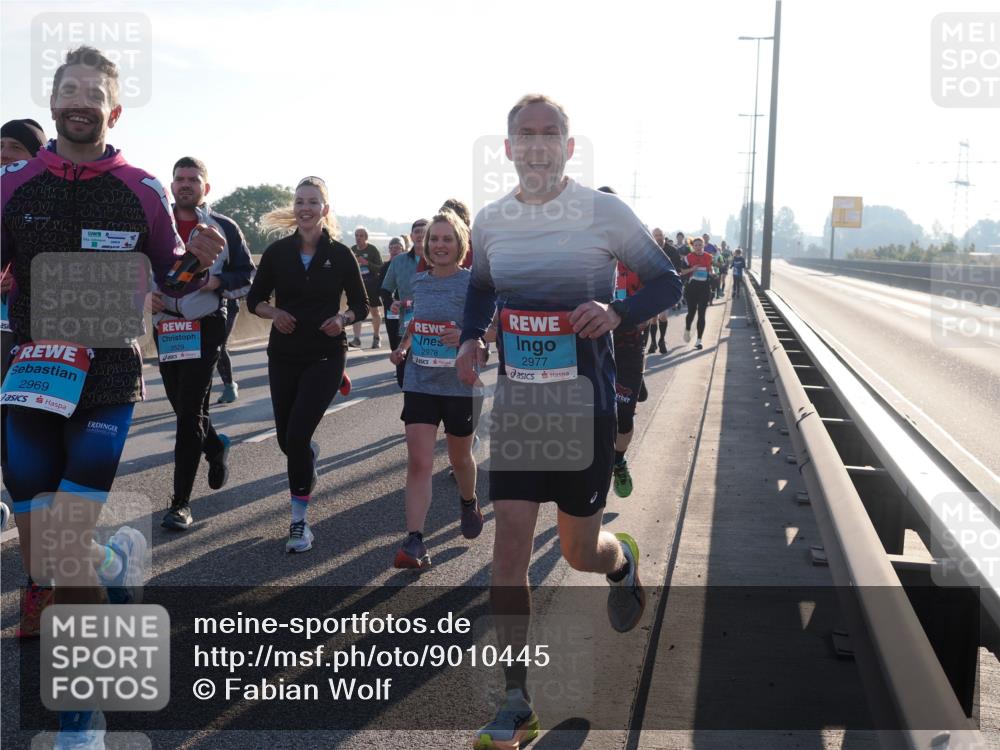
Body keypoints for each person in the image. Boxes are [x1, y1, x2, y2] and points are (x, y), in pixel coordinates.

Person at [0, 46, 223, 743]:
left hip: (107, 381)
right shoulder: (13, 184)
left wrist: (200, 260)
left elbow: (172, 282)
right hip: (34, 379)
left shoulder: (142, 188)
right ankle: (114, 561)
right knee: (46, 556)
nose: (78, 101)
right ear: (52, 100)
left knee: (62, 547)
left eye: (91, 93)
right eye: (67, 89)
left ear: (113, 109)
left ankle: (81, 717)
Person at [456, 94, 682, 750]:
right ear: (507, 148)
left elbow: (664, 283)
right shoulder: (493, 222)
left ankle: (622, 562)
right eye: (523, 135)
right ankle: (516, 700)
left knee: (582, 552)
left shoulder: (603, 212)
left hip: (584, 410)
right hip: (523, 411)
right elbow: (479, 289)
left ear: (568, 146)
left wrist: (614, 308)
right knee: (508, 557)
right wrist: (472, 339)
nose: (535, 144)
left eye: (548, 133)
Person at [246, 176, 368, 553]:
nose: (305, 208)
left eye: (313, 202)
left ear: (324, 210)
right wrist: (275, 312)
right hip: (283, 354)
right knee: (287, 440)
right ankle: (307, 458)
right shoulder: (278, 252)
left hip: (326, 354)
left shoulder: (341, 254)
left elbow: (362, 305)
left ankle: (299, 523)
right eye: (300, 201)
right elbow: (254, 300)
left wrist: (343, 320)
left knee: (297, 436)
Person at [155, 156, 255, 530]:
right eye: (179, 178)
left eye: (193, 179)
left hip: (207, 324)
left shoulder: (224, 227)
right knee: (183, 407)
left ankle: (180, 504)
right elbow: (134, 267)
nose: (185, 184)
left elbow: (248, 277)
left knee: (188, 413)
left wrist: (216, 283)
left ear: (205, 188)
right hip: (165, 325)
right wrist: (143, 296)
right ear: (171, 185)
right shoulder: (157, 224)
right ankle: (214, 447)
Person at [389, 210, 485, 568]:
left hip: (460, 384)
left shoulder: (474, 283)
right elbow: (417, 323)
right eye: (434, 239)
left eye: (447, 239)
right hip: (421, 381)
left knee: (460, 457)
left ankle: (468, 499)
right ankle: (414, 540)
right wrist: (403, 347)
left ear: (460, 243)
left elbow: (491, 329)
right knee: (419, 462)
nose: (440, 245)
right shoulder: (421, 281)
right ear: (426, 245)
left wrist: (465, 335)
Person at [600, 188, 649, 499]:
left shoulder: (636, 258)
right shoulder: (577, 255)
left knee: (623, 418)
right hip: (589, 346)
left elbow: (658, 293)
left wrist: (643, 313)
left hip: (628, 346)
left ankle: (617, 460)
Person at [381, 219, 426, 389]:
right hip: (405, 323)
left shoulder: (440, 258)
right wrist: (391, 303)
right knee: (404, 377)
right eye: (417, 231)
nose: (420, 234)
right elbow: (385, 290)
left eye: (424, 231)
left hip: (433, 327)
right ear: (411, 236)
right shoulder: (398, 261)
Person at [350, 226, 384, 348]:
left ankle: (376, 337)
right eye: (356, 235)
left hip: (372, 284)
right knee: (355, 310)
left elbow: (381, 268)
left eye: (361, 236)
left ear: (366, 237)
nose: (358, 238)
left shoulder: (372, 250)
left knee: (374, 311)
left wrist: (366, 263)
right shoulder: (352, 250)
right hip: (358, 285)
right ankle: (356, 338)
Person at [680, 236, 715, 350]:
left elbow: (711, 269)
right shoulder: (688, 258)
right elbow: (682, 271)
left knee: (701, 313)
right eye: (696, 245)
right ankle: (687, 329)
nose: (698, 247)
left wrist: (713, 272)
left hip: (704, 287)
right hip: (692, 288)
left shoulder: (708, 257)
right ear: (693, 246)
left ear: (703, 245)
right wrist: (692, 269)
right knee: (691, 312)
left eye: (700, 245)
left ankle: (699, 340)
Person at [380, 236, 406, 353]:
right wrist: (390, 301)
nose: (394, 250)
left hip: (406, 308)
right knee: (393, 343)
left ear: (403, 249)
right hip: (390, 309)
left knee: (404, 341)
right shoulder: (385, 266)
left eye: (397, 247)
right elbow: (380, 289)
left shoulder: (407, 266)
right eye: (391, 248)